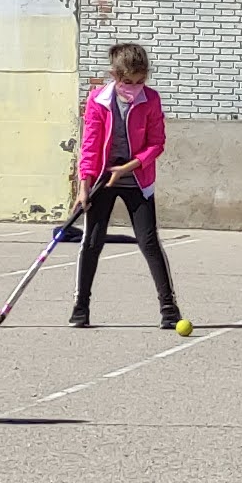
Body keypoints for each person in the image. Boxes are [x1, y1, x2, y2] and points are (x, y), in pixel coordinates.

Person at [72, 42, 183, 332]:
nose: (134, 87)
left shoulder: (151, 99)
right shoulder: (98, 100)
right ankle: (81, 307)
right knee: (92, 241)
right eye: (128, 82)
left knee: (148, 241)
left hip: (137, 179)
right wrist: (84, 186)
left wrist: (128, 167)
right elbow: (90, 146)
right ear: (114, 76)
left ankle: (169, 308)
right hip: (102, 179)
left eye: (140, 81)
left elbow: (156, 144)